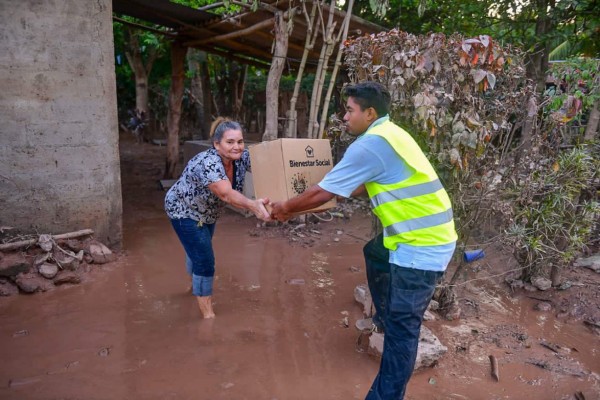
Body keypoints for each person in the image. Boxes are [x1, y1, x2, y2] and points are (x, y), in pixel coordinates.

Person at [270, 82, 457, 399]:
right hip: (417, 237)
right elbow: (355, 185)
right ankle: (384, 316)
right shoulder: (390, 134)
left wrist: (285, 209)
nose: (344, 116)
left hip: (421, 248)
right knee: (374, 252)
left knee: (402, 334)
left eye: (349, 110)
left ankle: (385, 393)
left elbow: (322, 192)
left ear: (369, 113)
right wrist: (331, 194)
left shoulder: (370, 144)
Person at [165, 118, 270, 319]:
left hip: (208, 213)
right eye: (230, 142)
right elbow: (225, 194)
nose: (236, 147)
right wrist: (252, 204)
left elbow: (266, 165)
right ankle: (208, 315)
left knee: (196, 248)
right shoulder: (208, 162)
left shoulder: (241, 157)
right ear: (216, 144)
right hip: (183, 210)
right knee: (205, 259)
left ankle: (192, 286)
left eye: (240, 142)